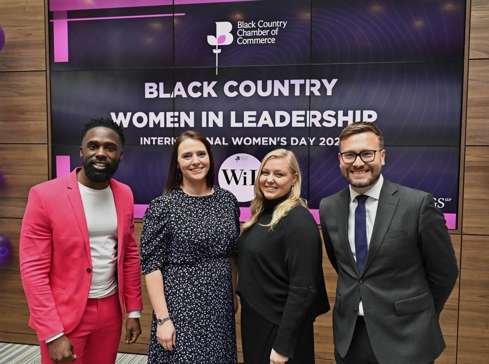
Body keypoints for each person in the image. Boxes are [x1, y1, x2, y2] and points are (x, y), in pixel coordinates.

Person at [319, 122, 459, 364]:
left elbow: (444, 272)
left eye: (367, 154)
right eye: (350, 155)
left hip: (406, 338)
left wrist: (419, 314)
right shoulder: (328, 207)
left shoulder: (417, 204)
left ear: (382, 156)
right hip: (350, 337)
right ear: (340, 159)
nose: (358, 162)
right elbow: (344, 267)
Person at [20, 117, 143, 364]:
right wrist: (52, 333)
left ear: (120, 155)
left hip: (110, 310)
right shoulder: (44, 195)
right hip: (64, 313)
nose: (100, 153)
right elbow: (33, 270)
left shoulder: (125, 193)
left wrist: (133, 310)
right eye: (93, 146)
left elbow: (129, 254)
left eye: (109, 147)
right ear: (81, 151)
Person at [140, 130, 240, 363]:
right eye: (187, 156)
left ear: (210, 158)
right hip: (180, 309)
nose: (195, 161)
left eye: (201, 154)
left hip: (220, 306)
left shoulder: (228, 201)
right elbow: (151, 266)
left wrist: (233, 292)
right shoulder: (162, 207)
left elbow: (232, 253)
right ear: (177, 164)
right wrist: (163, 319)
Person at [237, 149, 330, 364]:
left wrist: (283, 345)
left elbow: (304, 288)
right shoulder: (263, 213)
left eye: (279, 174)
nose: (270, 180)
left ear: (294, 178)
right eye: (265, 173)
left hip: (280, 329)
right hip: (258, 321)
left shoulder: (298, 220)